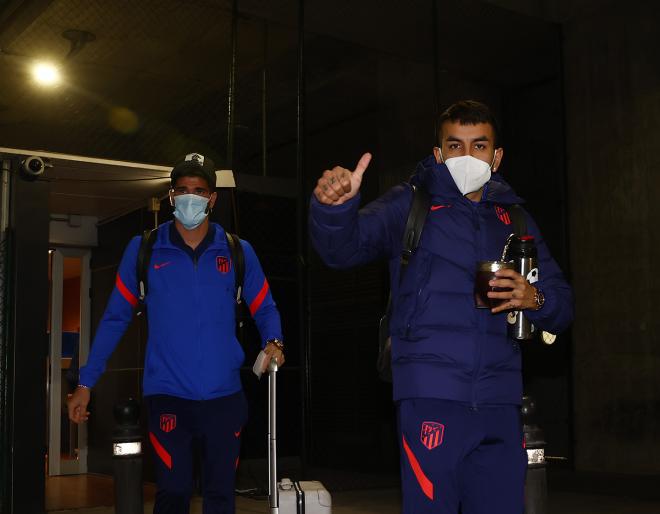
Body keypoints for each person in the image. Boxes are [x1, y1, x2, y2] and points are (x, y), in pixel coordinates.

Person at [309, 100, 573, 514]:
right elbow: (343, 250)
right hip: (430, 397)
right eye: (455, 146)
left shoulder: (516, 220)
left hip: (500, 403)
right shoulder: (409, 204)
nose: (467, 157)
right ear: (438, 153)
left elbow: (562, 303)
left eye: (479, 146)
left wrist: (534, 298)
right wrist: (334, 209)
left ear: (497, 156)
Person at [67, 153, 285, 514]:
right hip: (168, 397)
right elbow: (114, 319)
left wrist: (274, 341)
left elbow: (265, 307)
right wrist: (85, 384)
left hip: (225, 400)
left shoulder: (237, 251)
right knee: (173, 491)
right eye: (182, 190)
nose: (190, 197)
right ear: (170, 196)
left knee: (220, 496)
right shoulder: (145, 249)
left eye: (199, 190)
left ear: (213, 199)